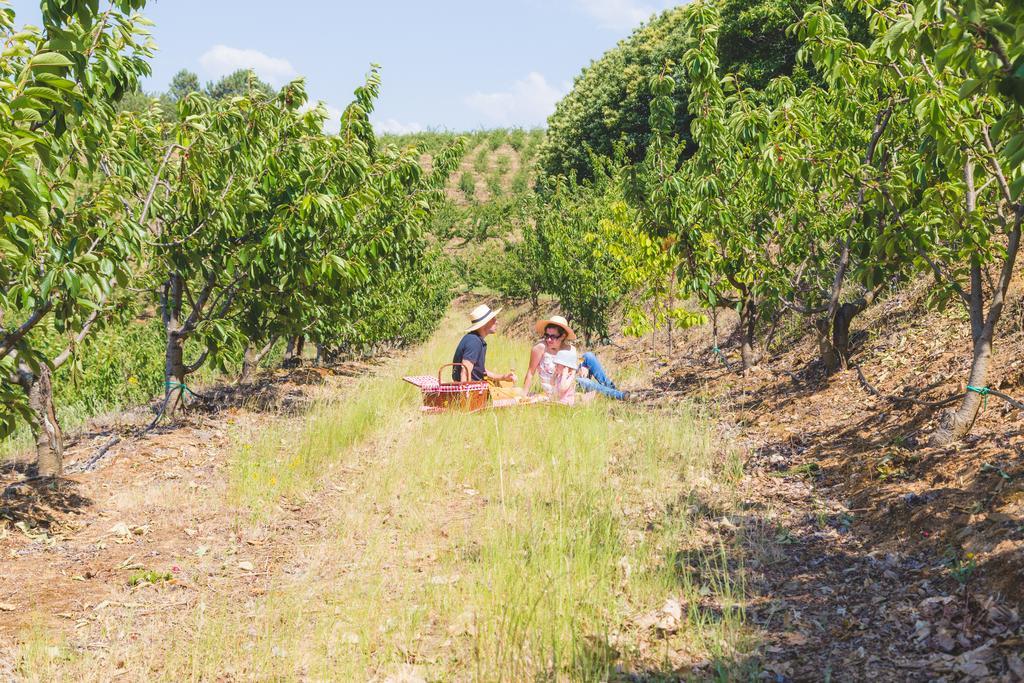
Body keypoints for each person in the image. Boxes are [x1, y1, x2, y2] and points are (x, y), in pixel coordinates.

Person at [522, 315, 629, 401]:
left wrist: (581, 367)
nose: (549, 340)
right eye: (547, 335)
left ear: (563, 336)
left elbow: (573, 366)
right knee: (584, 382)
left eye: (553, 336)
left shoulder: (570, 349)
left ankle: (610, 388)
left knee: (588, 356)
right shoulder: (540, 348)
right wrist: (523, 395)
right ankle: (619, 395)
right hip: (558, 386)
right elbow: (530, 372)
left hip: (571, 376)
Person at [452, 304, 516, 383]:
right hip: (474, 390)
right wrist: (466, 394)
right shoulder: (474, 341)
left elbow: (480, 370)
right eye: (493, 319)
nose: (497, 321)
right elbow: (465, 372)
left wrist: (503, 377)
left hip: (477, 387)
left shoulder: (475, 339)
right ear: (484, 323)